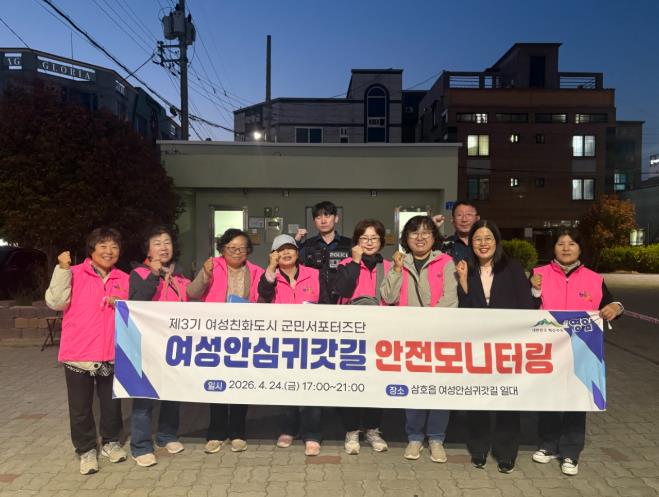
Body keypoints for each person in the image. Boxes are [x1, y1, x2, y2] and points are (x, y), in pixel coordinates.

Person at [530, 227, 624, 476]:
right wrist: (534, 291)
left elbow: (612, 304)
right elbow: (525, 308)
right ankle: (548, 444)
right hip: (548, 349)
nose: (566, 248)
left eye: (572, 243)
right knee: (549, 398)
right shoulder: (538, 274)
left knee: (577, 398)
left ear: (580, 248)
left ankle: (571, 451)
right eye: (560, 243)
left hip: (582, 351)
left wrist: (616, 307)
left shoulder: (594, 279)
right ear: (553, 247)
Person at [45, 228, 129, 475]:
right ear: (91, 249)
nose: (109, 251)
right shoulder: (72, 273)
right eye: (103, 246)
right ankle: (86, 450)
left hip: (112, 352)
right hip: (78, 353)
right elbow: (56, 302)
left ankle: (111, 443)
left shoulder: (124, 278)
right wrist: (62, 269)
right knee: (80, 408)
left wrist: (122, 303)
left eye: (114, 246)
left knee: (112, 405)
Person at [455, 220, 534, 474]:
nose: (483, 243)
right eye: (478, 239)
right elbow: (464, 310)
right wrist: (464, 281)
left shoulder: (512, 267)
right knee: (477, 398)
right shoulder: (466, 268)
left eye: (488, 238)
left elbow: (526, 305)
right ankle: (478, 448)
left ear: (496, 241)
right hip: (477, 346)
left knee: (507, 399)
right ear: (471, 243)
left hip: (507, 345)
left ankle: (506, 452)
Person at [380, 215, 457, 463]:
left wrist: (429, 324)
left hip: (440, 337)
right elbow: (388, 297)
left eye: (426, 232)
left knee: (439, 389)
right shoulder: (400, 262)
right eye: (414, 233)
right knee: (413, 388)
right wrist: (396, 270)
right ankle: (414, 437)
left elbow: (451, 299)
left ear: (434, 237)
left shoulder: (446, 262)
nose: (420, 237)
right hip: (410, 338)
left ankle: (436, 438)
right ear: (406, 238)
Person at [187, 228, 265, 454]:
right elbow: (192, 293)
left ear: (248, 251)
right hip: (216, 336)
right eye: (232, 248)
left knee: (241, 384)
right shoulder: (212, 266)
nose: (237, 252)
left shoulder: (256, 271)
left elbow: (262, 301)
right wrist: (204, 274)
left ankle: (238, 433)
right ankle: (216, 433)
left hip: (244, 336)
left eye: (242, 248)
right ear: (222, 249)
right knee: (217, 384)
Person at [128, 226, 189, 467]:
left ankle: (167, 435)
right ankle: (141, 445)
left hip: (174, 345)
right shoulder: (138, 273)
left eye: (167, 242)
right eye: (157, 243)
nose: (163, 247)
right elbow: (136, 302)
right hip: (147, 345)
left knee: (172, 392)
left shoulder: (180, 276)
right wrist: (154, 275)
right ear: (148, 249)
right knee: (144, 397)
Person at [257, 234, 323, 456]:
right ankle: (288, 429)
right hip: (283, 343)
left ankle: (312, 434)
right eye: (280, 250)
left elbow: (326, 305)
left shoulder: (314, 274)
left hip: (312, 343)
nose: (286, 253)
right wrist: (270, 268)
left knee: (312, 389)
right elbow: (263, 294)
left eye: (290, 248)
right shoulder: (270, 277)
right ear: (274, 255)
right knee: (287, 388)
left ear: (297, 252)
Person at [333, 219, 390, 454]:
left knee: (376, 383)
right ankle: (351, 431)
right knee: (352, 383)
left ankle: (372, 429)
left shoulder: (389, 266)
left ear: (381, 241)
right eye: (364, 238)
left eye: (374, 238)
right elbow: (343, 289)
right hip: (351, 334)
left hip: (381, 334)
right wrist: (355, 262)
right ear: (356, 241)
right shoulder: (345, 264)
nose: (369, 242)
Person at [294, 200, 352, 304]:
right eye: (318, 217)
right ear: (314, 221)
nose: (323, 221)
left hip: (343, 300)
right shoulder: (308, 245)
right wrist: (296, 241)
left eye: (327, 216)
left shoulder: (349, 244)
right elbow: (290, 262)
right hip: (315, 299)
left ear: (336, 218)